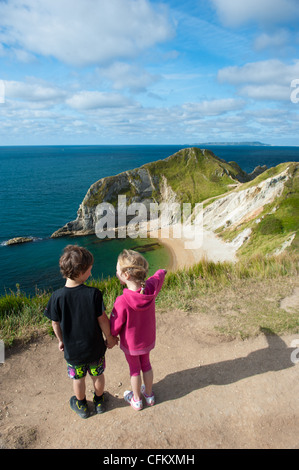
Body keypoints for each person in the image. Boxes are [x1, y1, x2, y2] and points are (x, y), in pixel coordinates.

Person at [44, 245, 118, 419]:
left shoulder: (57, 297)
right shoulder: (94, 294)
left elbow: (55, 324)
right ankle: (99, 401)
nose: (91, 274)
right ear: (81, 272)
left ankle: (82, 405)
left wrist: (60, 340)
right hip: (95, 348)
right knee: (97, 375)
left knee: (78, 379)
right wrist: (110, 338)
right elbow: (103, 320)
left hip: (73, 352)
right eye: (90, 270)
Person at [110, 249, 166, 411]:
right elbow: (157, 278)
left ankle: (136, 400)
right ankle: (148, 395)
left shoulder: (122, 301)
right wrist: (162, 271)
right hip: (147, 340)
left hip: (131, 345)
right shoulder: (149, 289)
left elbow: (114, 325)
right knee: (146, 365)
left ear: (126, 275)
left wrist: (111, 337)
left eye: (117, 270)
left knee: (135, 370)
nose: (116, 272)